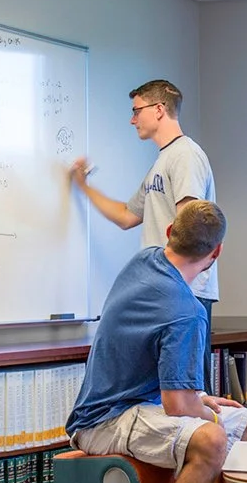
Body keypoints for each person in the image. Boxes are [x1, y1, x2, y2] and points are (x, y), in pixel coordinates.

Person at [66, 200, 247, 483]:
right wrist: (207, 410)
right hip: (103, 418)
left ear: (168, 234)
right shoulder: (186, 312)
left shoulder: (145, 261)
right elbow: (178, 405)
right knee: (212, 438)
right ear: (217, 253)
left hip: (141, 404)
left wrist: (202, 399)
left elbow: (174, 390)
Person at [68, 79, 219, 388]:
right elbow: (126, 216)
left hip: (186, 291)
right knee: (161, 389)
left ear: (159, 109)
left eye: (137, 111)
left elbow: (191, 226)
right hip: (162, 289)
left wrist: (173, 283)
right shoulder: (161, 163)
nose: (132, 119)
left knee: (190, 390)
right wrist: (83, 187)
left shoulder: (186, 156)